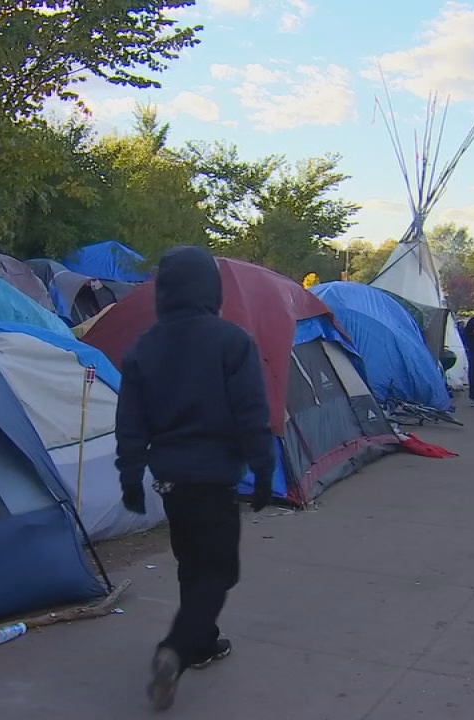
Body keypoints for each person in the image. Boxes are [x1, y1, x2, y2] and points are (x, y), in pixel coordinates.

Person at [115, 246, 275, 711]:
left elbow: (130, 422)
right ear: (211, 288)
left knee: (192, 564)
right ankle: (177, 650)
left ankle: (204, 642)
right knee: (217, 573)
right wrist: (262, 468)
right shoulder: (231, 341)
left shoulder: (144, 346)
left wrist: (130, 475)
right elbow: (251, 413)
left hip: (172, 485)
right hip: (214, 482)